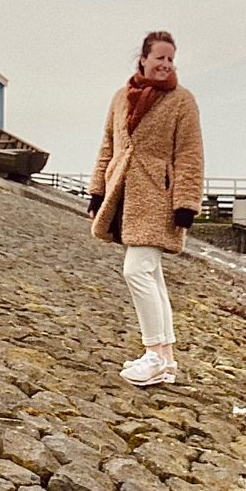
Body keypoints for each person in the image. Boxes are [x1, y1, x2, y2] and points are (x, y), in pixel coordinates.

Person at [87, 30, 204, 387]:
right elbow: (108, 144)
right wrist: (97, 191)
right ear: (143, 58)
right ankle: (166, 360)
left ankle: (152, 353)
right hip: (123, 191)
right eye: (160, 58)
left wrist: (186, 203)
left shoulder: (183, 101)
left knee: (136, 270)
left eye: (171, 59)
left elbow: (189, 154)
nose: (165, 65)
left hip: (159, 195)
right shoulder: (121, 98)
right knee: (150, 273)